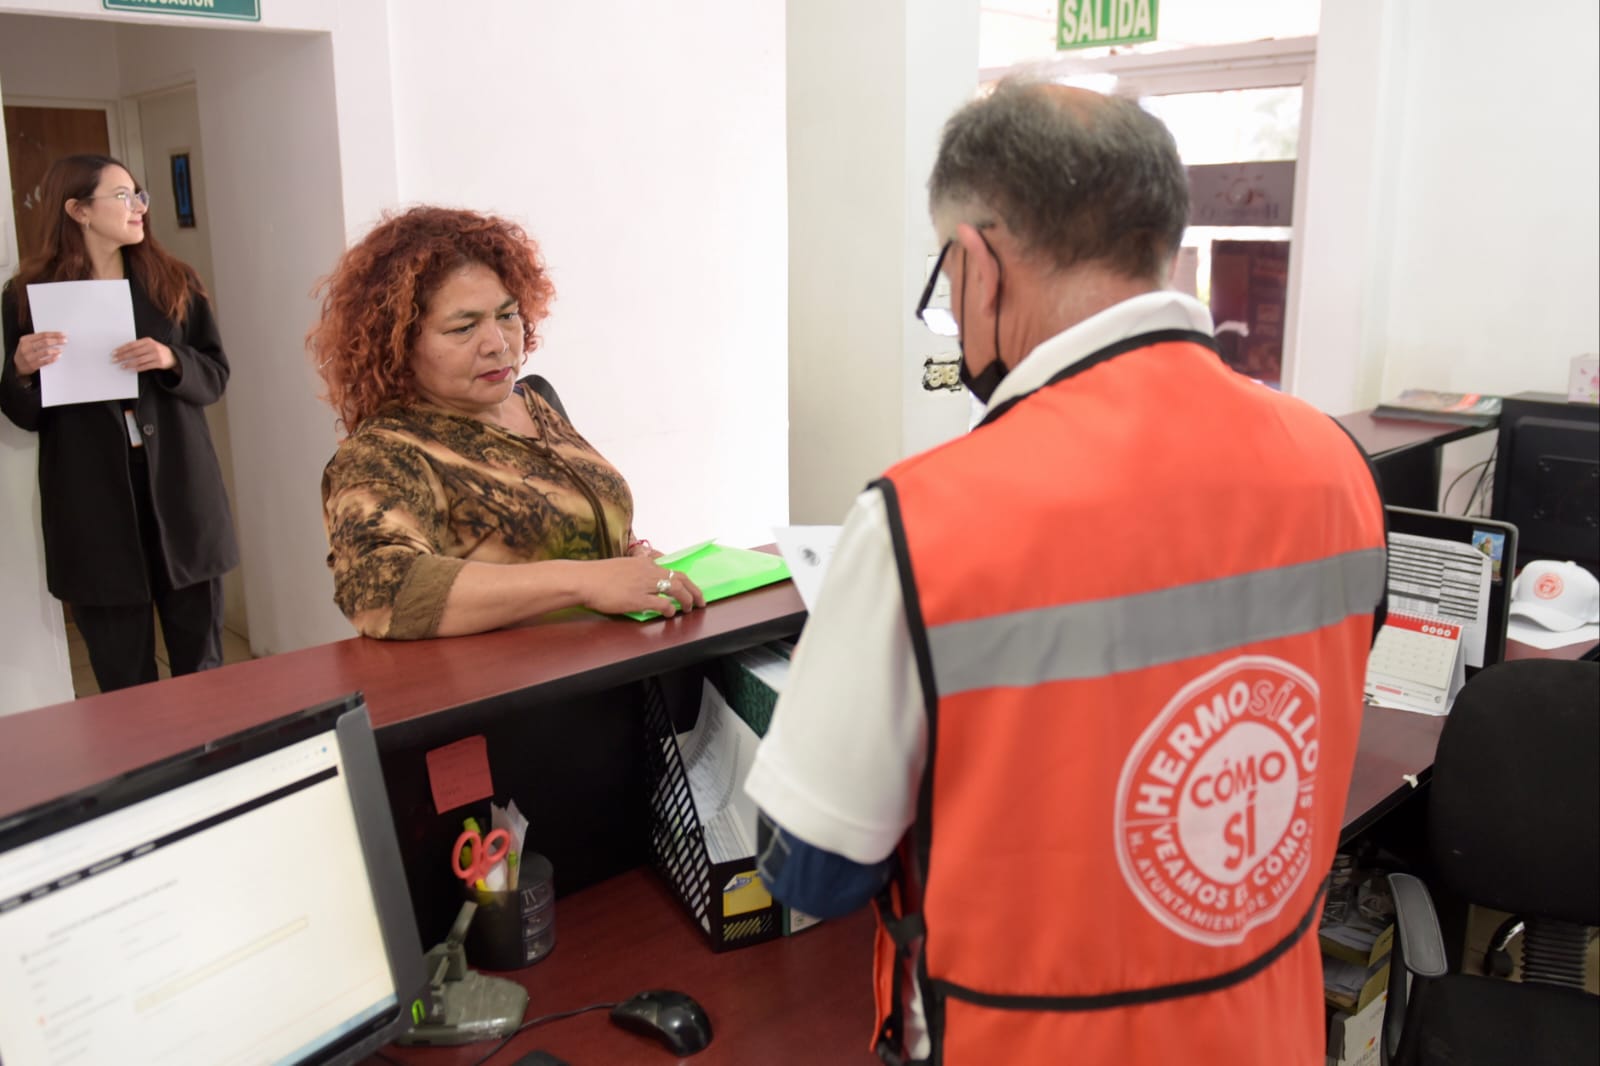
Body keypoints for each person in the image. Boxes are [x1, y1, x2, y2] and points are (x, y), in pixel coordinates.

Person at [743, 82, 1389, 1065]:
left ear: (973, 263)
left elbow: (814, 872)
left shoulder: (922, 519)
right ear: (1159, 243)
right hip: (1267, 1035)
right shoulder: (1334, 463)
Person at [311, 206, 703, 640]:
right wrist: (587, 582)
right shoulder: (385, 452)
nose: (498, 344)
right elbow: (382, 593)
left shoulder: (536, 402)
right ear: (400, 346)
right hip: (515, 695)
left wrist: (632, 557)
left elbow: (574, 523)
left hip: (617, 673)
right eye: (463, 328)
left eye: (507, 315)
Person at [1, 154, 238, 693]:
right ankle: (145, 775)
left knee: (201, 671)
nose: (138, 209)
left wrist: (171, 359)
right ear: (79, 211)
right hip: (92, 502)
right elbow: (24, 415)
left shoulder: (175, 281)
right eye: (122, 196)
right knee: (122, 680)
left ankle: (210, 770)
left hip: (180, 491)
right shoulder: (26, 297)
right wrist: (19, 369)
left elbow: (216, 374)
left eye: (140, 195)